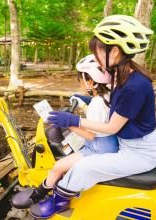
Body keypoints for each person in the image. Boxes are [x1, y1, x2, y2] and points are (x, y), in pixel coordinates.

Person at [28, 15, 156, 219]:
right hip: (134, 143)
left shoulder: (134, 85)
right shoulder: (123, 76)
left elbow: (112, 128)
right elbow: (110, 99)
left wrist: (73, 121)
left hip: (141, 152)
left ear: (115, 51)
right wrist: (86, 98)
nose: (96, 57)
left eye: (98, 51)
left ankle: (58, 200)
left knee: (86, 167)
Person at [11, 54, 119, 212]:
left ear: (91, 81)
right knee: (64, 163)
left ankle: (41, 196)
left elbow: (91, 135)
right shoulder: (106, 97)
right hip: (107, 145)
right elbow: (98, 121)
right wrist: (83, 105)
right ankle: (47, 191)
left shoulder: (97, 104)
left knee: (59, 166)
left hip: (98, 149)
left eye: (81, 81)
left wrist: (69, 123)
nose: (80, 84)